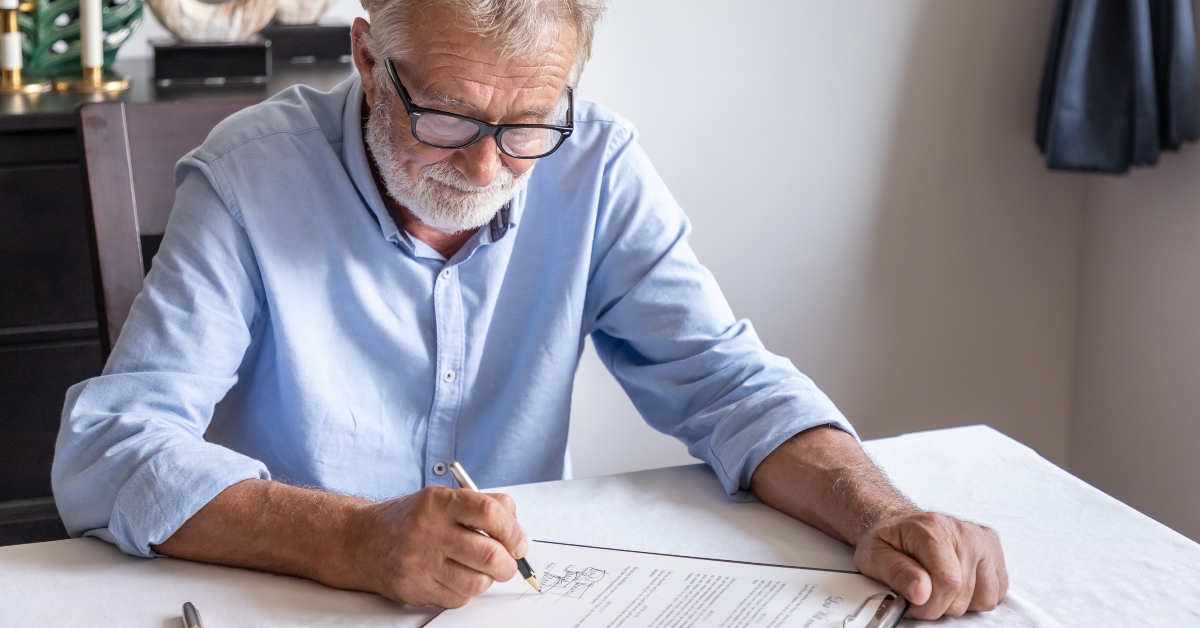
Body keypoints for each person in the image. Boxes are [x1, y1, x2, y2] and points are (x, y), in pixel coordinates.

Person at [52, 0, 1006, 620]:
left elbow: (727, 382)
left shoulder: (595, 164)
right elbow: (111, 449)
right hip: (289, 603)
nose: (485, 168)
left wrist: (878, 513)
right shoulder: (250, 176)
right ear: (367, 58)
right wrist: (351, 538)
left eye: (525, 127)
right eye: (451, 118)